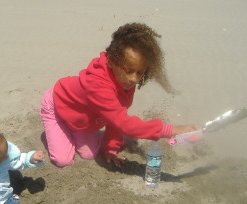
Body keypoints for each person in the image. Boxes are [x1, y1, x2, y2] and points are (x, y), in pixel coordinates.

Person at [40, 22, 198, 168]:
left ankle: (74, 125)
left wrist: (110, 148)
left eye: (140, 73)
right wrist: (172, 130)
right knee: (63, 160)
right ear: (111, 61)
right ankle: (65, 124)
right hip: (57, 105)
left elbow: (116, 117)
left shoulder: (125, 82)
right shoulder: (97, 85)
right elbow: (124, 123)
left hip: (83, 113)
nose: (134, 79)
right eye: (128, 71)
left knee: (89, 155)